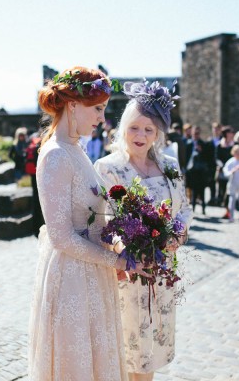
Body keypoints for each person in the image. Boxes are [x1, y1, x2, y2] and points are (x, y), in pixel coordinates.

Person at [28, 66, 148, 380]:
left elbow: (95, 212)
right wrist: (116, 259)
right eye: (97, 109)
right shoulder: (55, 155)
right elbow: (61, 237)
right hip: (72, 277)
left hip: (94, 272)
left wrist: (120, 240)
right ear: (72, 105)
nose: (101, 118)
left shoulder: (76, 149)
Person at [95, 79, 193, 381]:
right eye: (135, 127)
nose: (141, 135)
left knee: (150, 353)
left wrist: (178, 235)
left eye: (149, 130)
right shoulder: (108, 167)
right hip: (126, 274)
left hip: (163, 271)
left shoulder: (170, 166)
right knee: (127, 352)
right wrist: (124, 249)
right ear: (123, 126)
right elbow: (102, 220)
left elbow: (184, 209)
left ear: (158, 133)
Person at [185, 126, 215, 215]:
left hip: (201, 172)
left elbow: (208, 158)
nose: (196, 135)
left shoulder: (203, 143)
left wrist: (202, 151)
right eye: (194, 134)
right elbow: (185, 157)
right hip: (191, 171)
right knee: (192, 190)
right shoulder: (189, 143)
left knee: (201, 191)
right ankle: (192, 208)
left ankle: (203, 209)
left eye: (197, 134)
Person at [24, 132, 44, 237]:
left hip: (33, 175)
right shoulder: (41, 144)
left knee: (35, 202)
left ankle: (35, 229)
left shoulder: (32, 142)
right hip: (40, 176)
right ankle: (39, 229)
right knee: (40, 203)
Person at [216, 126, 235, 219]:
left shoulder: (235, 145)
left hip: (232, 171)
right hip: (223, 171)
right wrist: (222, 165)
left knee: (229, 191)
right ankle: (226, 209)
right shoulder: (220, 145)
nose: (232, 134)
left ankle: (229, 211)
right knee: (223, 190)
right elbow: (216, 158)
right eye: (231, 132)